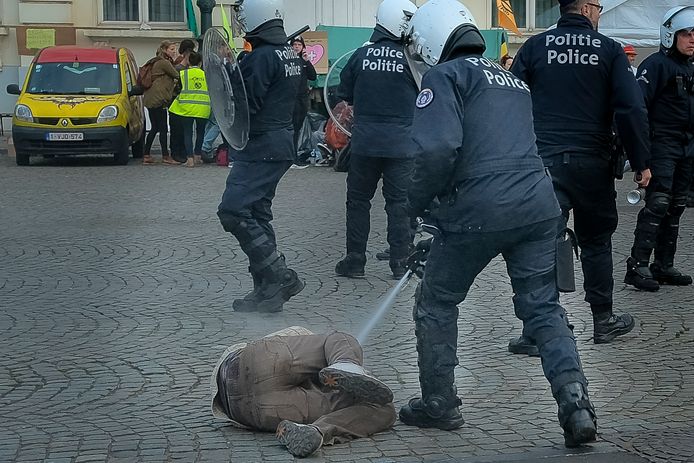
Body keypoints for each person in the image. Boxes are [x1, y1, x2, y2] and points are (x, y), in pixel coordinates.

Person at [398, 0, 597, 448]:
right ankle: (576, 403)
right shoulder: (512, 81)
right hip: (538, 206)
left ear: (430, 40)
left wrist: (417, 207)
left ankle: (440, 404)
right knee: (543, 308)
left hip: (481, 211)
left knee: (436, 300)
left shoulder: (444, 76)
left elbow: (437, 150)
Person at [507, 0, 652, 354]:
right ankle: (603, 320)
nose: (600, 13)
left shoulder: (536, 46)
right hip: (592, 163)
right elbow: (631, 107)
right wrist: (642, 161)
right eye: (599, 7)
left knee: (541, 243)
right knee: (596, 241)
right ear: (587, 8)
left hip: (541, 161)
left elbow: (510, 100)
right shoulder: (610, 50)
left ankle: (538, 330)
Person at [217, 0, 305, 313]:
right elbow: (299, 106)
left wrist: (229, 75)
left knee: (233, 210)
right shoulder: (288, 54)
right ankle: (268, 291)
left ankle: (279, 276)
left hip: (260, 146)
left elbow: (244, 106)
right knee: (257, 212)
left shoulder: (262, 57)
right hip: (280, 143)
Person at [211, 326, 396, 458]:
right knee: (339, 339)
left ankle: (311, 431)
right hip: (266, 409)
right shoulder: (305, 336)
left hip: (239, 407)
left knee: (337, 339)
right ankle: (320, 429)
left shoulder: (299, 344)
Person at [334, 0, 419, 280]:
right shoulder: (412, 59)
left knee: (358, 201)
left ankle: (355, 260)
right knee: (399, 204)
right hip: (402, 144)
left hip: (365, 142)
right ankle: (400, 262)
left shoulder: (361, 55)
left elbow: (342, 94)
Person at [624, 6, 694, 291]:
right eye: (687, 34)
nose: (692, 39)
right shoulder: (654, 65)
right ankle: (637, 265)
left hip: (687, 146)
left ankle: (663, 265)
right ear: (671, 35)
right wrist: (641, 156)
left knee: (677, 205)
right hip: (662, 143)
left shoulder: (691, 67)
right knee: (658, 204)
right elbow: (639, 108)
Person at [168, 52, 211, 167]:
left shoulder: (183, 74)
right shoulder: (206, 75)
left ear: (189, 62)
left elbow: (177, 90)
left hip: (187, 108)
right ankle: (198, 156)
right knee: (200, 132)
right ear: (200, 63)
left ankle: (190, 159)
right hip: (203, 107)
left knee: (188, 133)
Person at [143, 41, 180, 165]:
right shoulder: (164, 63)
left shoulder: (155, 61)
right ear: (164, 50)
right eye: (172, 49)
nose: (174, 51)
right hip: (159, 100)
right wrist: (175, 60)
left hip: (150, 99)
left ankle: (146, 154)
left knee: (154, 127)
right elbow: (177, 74)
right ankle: (165, 156)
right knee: (163, 128)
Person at [171, 39, 199, 163]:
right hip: (177, 103)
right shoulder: (178, 68)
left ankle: (183, 152)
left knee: (184, 130)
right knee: (177, 129)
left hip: (187, 105)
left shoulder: (187, 68)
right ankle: (177, 152)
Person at [290, 35, 317, 157]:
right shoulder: (288, 60)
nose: (296, 47)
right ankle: (291, 155)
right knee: (291, 128)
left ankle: (294, 154)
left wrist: (307, 61)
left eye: (299, 45)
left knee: (298, 127)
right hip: (291, 99)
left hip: (302, 98)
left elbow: (313, 76)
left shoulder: (303, 61)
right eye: (294, 45)